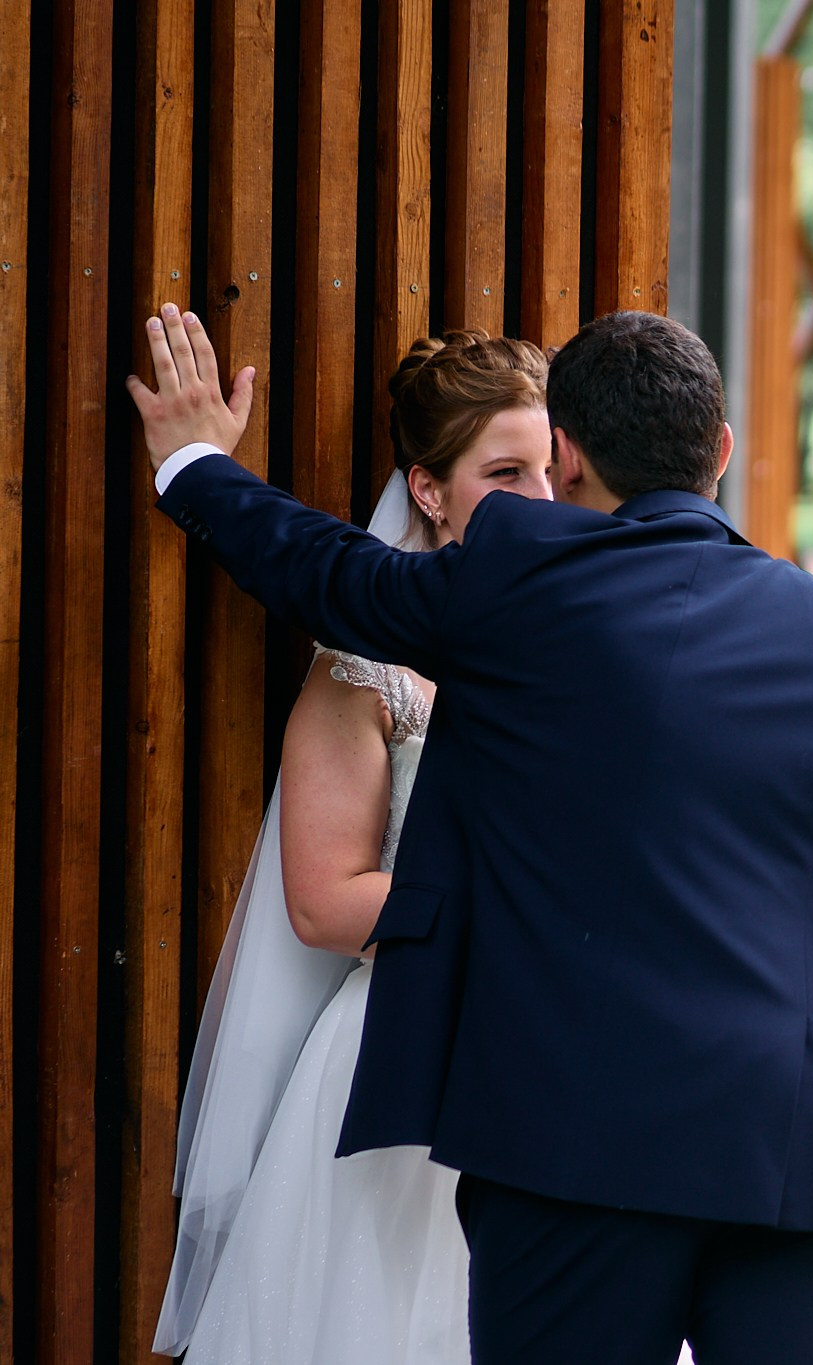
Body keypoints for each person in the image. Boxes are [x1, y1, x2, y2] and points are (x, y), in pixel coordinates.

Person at [128, 302, 813, 1365]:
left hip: (565, 1151)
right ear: (719, 450)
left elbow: (327, 572)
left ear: (569, 454)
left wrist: (193, 465)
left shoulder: (513, 589)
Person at [155, 331, 556, 1362]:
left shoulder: (570, 640)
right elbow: (323, 902)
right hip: (403, 1054)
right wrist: (515, 916)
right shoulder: (362, 675)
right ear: (428, 490)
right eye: (506, 473)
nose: (544, 498)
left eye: (554, 467)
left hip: (549, 1054)